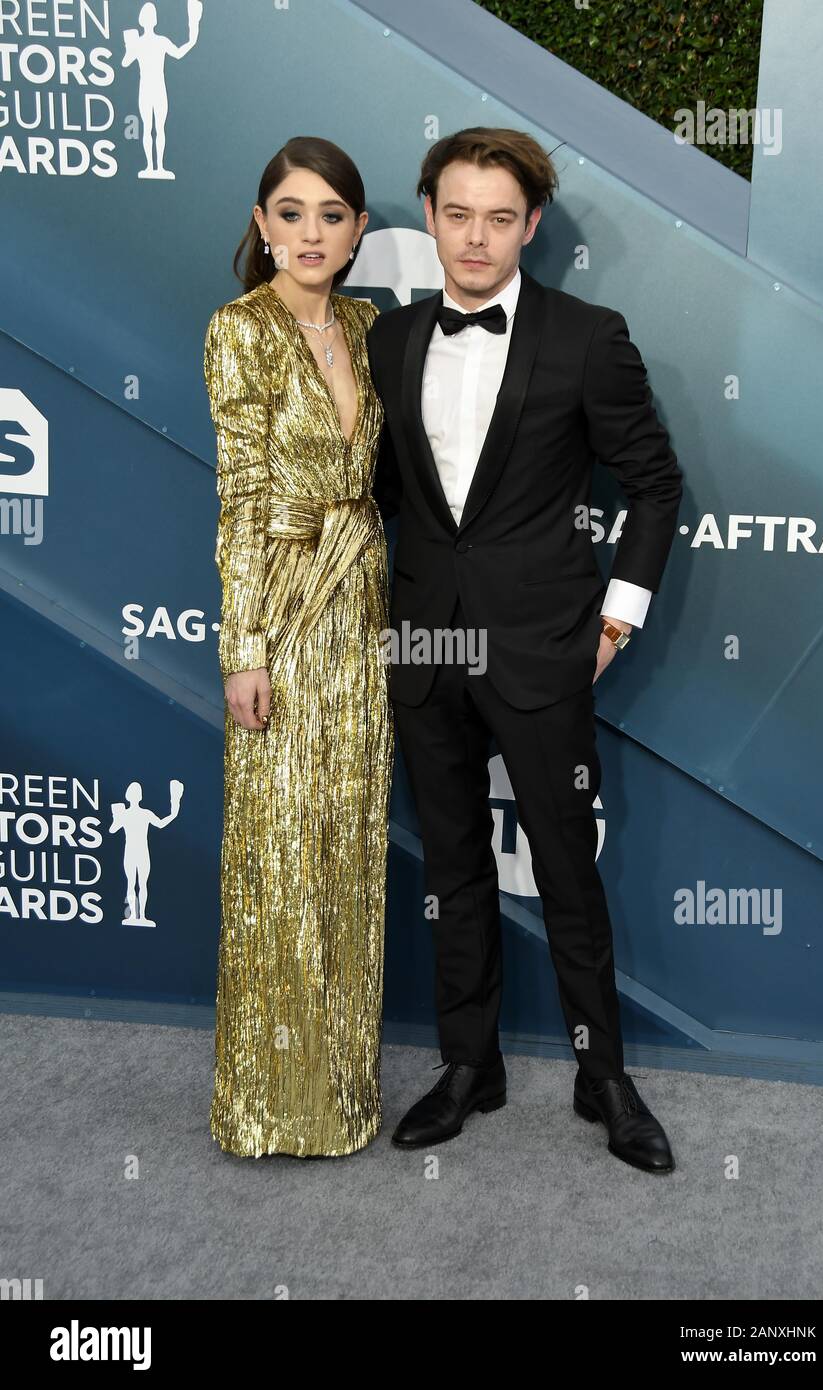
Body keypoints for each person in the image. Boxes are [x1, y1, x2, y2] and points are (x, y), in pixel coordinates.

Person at [367, 127, 683, 1173]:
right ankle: (470, 1066)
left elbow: (652, 483)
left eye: (498, 217)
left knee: (564, 871)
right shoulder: (388, 340)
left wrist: (616, 616)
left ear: (530, 226)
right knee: (452, 867)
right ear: (428, 213)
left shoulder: (587, 337)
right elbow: (379, 499)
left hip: (542, 645)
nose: (474, 235)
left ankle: (603, 1079)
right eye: (456, 212)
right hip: (423, 639)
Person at [203, 137, 393, 1157]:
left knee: (345, 845)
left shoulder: (368, 326)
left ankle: (339, 1092)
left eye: (330, 213)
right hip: (280, 601)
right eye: (289, 211)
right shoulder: (239, 330)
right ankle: (267, 1104)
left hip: (362, 601)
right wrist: (244, 646)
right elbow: (237, 497)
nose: (309, 232)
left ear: (358, 230)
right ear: (261, 223)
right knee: (276, 853)